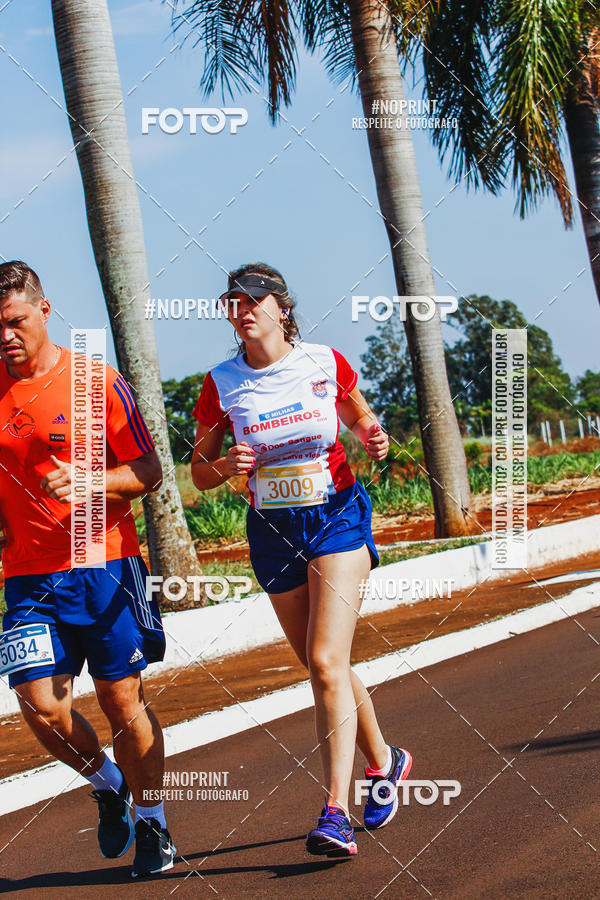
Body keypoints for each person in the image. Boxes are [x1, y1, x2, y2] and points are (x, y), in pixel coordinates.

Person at [191, 262, 412, 857]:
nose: (241, 311)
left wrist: (373, 434)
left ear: (280, 307)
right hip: (271, 528)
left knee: (323, 662)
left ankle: (335, 812)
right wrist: (227, 468)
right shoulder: (221, 382)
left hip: (336, 515)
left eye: (251, 300)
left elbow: (360, 416)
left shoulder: (323, 361)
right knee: (327, 666)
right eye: (231, 303)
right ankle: (387, 760)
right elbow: (199, 472)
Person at [0, 261, 176, 878]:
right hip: (25, 575)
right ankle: (106, 781)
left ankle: (153, 823)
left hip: (104, 564)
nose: (5, 336)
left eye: (14, 321)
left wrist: (89, 482)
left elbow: (150, 474)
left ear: (44, 312)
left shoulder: (95, 382)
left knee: (120, 699)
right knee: (39, 703)